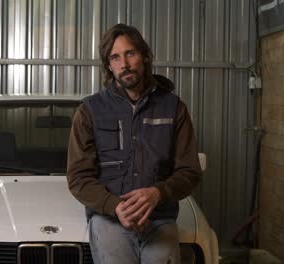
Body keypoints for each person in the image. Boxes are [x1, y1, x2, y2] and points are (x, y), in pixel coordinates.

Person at [67, 23, 202, 264]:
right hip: (108, 219)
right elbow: (78, 177)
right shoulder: (89, 111)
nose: (124, 64)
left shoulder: (174, 108)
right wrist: (115, 206)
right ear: (109, 65)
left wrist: (157, 193)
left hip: (160, 218)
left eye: (130, 53)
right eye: (115, 57)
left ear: (146, 56)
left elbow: (190, 171)